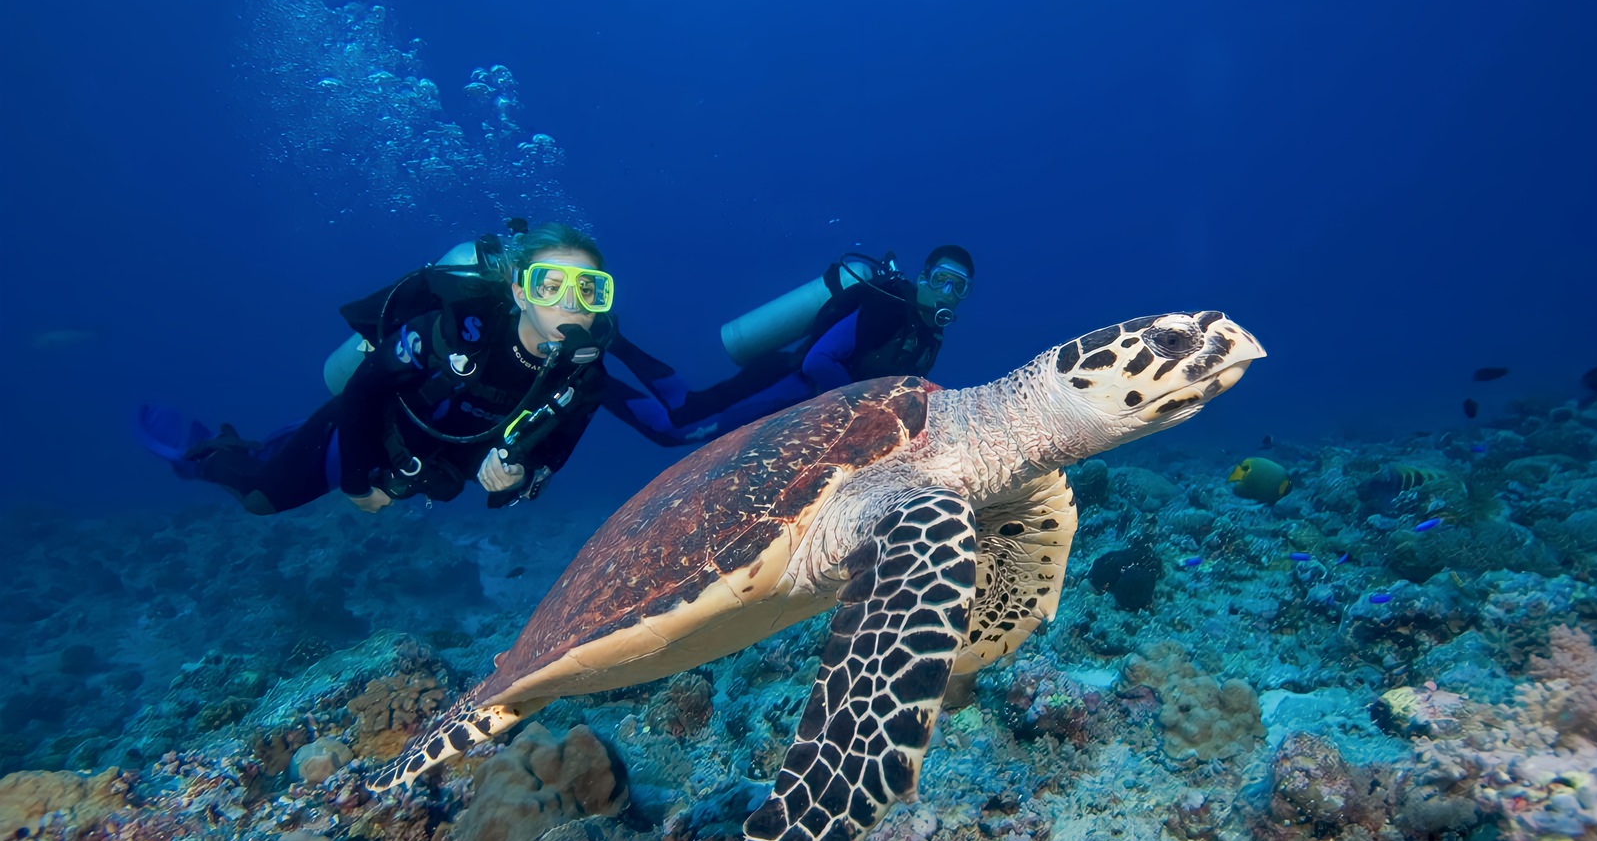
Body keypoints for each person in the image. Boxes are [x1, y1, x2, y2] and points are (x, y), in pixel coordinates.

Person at [138, 221, 615, 514]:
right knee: (262, 497)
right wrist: (356, 484)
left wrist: (515, 480)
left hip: (434, 462)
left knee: (285, 458)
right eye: (550, 286)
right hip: (375, 424)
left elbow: (548, 462)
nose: (571, 305)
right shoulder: (455, 331)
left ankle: (283, 442)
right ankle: (206, 456)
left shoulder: (585, 381)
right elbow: (364, 391)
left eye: (589, 290)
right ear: (519, 293)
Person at [605, 245, 973, 446]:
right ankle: (598, 376)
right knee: (678, 427)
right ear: (923, 276)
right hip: (783, 383)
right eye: (941, 280)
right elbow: (818, 361)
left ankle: (611, 344)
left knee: (687, 409)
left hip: (804, 403)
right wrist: (859, 413)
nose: (947, 293)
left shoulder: (930, 333)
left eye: (959, 287)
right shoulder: (888, 306)